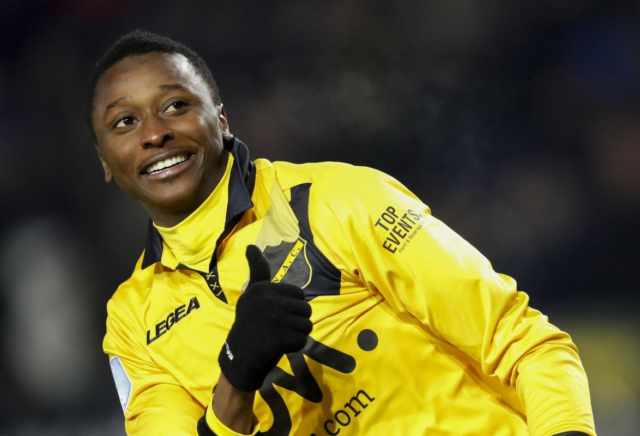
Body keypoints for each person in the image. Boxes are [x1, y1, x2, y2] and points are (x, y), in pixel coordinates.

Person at [91, 30, 596, 436]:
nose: (154, 133)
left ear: (221, 121)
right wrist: (235, 378)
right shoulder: (133, 325)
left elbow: (525, 343)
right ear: (105, 162)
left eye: (175, 106)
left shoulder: (338, 200)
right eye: (125, 121)